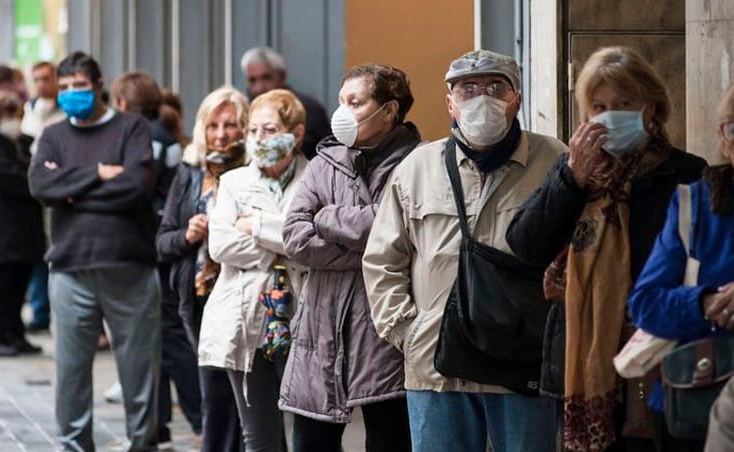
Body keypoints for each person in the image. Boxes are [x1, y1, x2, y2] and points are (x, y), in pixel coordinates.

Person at [505, 46, 707, 452]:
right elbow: (526, 244)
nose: (610, 114)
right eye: (598, 106)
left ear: (652, 107)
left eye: (624, 103)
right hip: (582, 359)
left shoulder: (686, 173)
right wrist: (571, 180)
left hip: (660, 356)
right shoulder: (573, 172)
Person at [362, 50, 566, 452]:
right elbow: (383, 260)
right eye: (468, 90)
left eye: (496, 88)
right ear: (450, 104)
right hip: (437, 370)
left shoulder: (555, 160)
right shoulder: (417, 166)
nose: (482, 99)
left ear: (517, 99)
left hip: (522, 366)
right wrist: (410, 332)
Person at [281, 63, 419, 452]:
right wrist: (369, 242)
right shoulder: (325, 162)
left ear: (390, 110)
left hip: (385, 333)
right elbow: (294, 236)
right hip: (319, 331)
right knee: (311, 442)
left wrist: (327, 217)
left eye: (355, 102)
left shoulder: (418, 163)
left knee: (390, 440)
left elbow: (403, 232)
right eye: (341, 101)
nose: (343, 112)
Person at [28, 51, 160, 451]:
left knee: (140, 374)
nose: (70, 95)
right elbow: (39, 186)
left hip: (129, 267)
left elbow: (138, 186)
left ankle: (143, 444)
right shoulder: (53, 135)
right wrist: (100, 173)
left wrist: (70, 190)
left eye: (79, 87)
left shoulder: (131, 128)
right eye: (64, 88)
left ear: (99, 86)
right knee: (70, 374)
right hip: (70, 270)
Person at [197, 88, 308, 452]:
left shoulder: (316, 179)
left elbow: (314, 245)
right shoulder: (232, 182)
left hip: (302, 318)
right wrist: (283, 243)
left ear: (296, 133)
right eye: (255, 130)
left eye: (271, 130)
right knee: (259, 436)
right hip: (246, 319)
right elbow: (221, 246)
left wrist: (258, 226)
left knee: (313, 431)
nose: (260, 139)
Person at [629, 84, 734, 452]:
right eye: (733, 128)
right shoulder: (696, 204)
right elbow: (645, 304)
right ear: (723, 138)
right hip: (697, 397)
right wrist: (704, 303)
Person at [109, 70, 202, 446]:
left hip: (154, 244)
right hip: (162, 242)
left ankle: (198, 415)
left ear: (122, 103)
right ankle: (163, 420)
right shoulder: (165, 135)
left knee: (168, 335)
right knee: (162, 335)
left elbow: (134, 189)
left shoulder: (143, 138)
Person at [157, 86, 249, 452]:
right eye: (213, 125)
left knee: (251, 401)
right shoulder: (190, 171)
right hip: (201, 298)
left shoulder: (258, 169)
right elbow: (162, 241)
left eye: (231, 124)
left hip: (248, 296)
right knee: (215, 395)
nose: (222, 133)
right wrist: (187, 234)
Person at [0, 91, 45, 357]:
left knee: (18, 284)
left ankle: (15, 334)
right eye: (12, 117)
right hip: (2, 230)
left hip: (23, 230)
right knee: (1, 285)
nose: (17, 122)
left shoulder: (19, 143)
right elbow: (22, 180)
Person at [21, 60, 66, 334]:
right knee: (38, 252)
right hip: (33, 193)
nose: (41, 84)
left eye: (45, 78)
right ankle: (40, 311)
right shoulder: (31, 110)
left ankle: (58, 314)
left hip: (60, 193)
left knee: (57, 250)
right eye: (36, 79)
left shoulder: (66, 111)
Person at [240, 46, 331, 159]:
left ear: (282, 76)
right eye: (252, 80)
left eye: (266, 78)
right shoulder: (243, 111)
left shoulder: (309, 109)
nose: (259, 87)